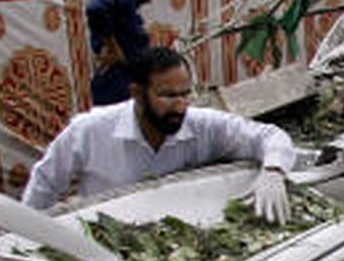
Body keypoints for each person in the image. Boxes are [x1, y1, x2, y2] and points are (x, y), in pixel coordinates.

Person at [24, 47, 296, 223]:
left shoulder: (200, 125)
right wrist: (27, 234)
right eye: (167, 95)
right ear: (138, 94)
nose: (180, 104)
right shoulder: (89, 131)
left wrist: (273, 172)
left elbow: (270, 137)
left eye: (185, 94)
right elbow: (45, 183)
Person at [88, 0, 172, 105]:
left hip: (127, 76)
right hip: (115, 79)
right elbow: (95, 9)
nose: (149, 0)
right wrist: (112, 46)